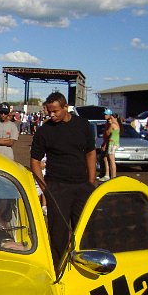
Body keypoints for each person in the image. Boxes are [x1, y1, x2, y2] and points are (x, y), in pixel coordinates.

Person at [30, 92, 96, 269]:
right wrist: (46, 189)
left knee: (84, 231)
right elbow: (35, 161)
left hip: (82, 186)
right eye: (49, 111)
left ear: (66, 107)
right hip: (57, 188)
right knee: (58, 235)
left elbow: (91, 153)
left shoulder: (82, 125)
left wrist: (91, 182)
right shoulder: (44, 131)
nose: (51, 115)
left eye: (55, 111)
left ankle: (84, 267)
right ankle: (58, 268)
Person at [98, 110, 120, 181]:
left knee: (111, 160)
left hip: (112, 143)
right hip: (112, 142)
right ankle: (107, 175)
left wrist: (107, 128)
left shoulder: (112, 124)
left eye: (106, 115)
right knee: (106, 158)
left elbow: (107, 133)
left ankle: (113, 177)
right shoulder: (116, 123)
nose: (105, 116)